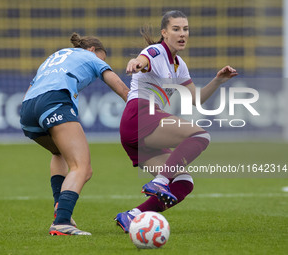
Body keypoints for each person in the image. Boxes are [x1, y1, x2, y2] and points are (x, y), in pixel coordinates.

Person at [115, 10, 238, 232]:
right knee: (201, 135)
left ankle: (132, 216)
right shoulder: (155, 52)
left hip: (139, 129)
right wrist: (135, 62)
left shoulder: (179, 64)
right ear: (164, 33)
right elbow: (143, 59)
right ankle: (159, 182)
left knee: (183, 183)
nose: (182, 34)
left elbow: (196, 99)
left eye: (185, 29)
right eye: (176, 29)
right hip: (139, 114)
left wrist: (218, 80)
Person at [20, 32, 130, 236]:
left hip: (27, 110)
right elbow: (118, 84)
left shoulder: (53, 57)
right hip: (54, 101)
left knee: (59, 153)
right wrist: (137, 107)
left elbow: (30, 90)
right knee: (82, 167)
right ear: (92, 50)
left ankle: (59, 207)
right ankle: (62, 222)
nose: (101, 64)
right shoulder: (90, 57)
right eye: (102, 58)